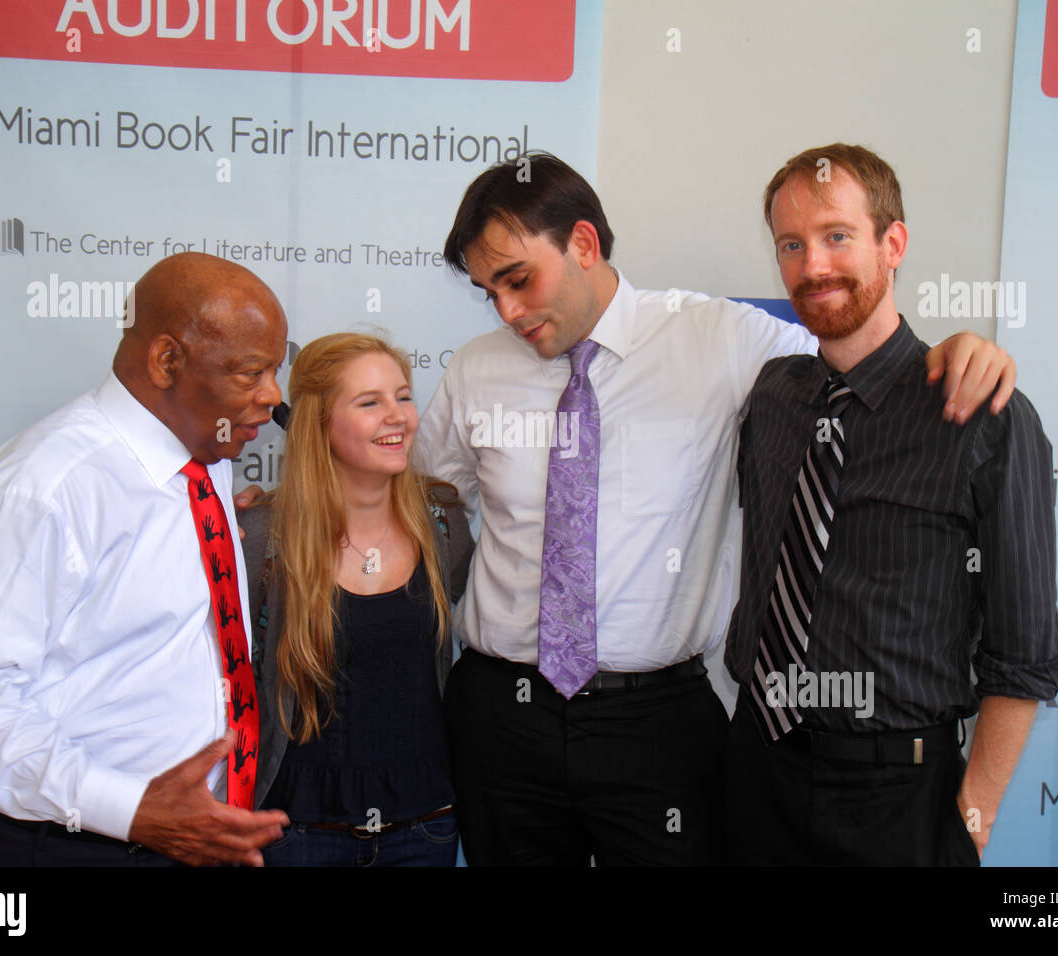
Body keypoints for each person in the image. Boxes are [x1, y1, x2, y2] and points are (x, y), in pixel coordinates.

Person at [414, 151, 1019, 866]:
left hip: (659, 727)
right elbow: (425, 497)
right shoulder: (477, 369)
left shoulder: (721, 340)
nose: (508, 310)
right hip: (500, 717)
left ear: (582, 243)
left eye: (517, 280)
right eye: (490, 292)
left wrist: (956, 351)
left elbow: (859, 347)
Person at [724, 143, 1058, 865]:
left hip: (900, 798)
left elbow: (1026, 653)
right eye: (792, 244)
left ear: (894, 243)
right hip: (757, 773)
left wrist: (969, 824)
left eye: (836, 236)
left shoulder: (983, 414)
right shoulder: (774, 395)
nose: (812, 265)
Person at [0, 251, 292, 866]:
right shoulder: (43, 489)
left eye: (275, 369)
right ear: (166, 360)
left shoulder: (202, 462)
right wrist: (131, 807)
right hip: (46, 847)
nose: (273, 396)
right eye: (250, 372)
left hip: (178, 839)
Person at [239, 333, 472, 866]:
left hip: (425, 826)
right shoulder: (260, 535)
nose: (397, 416)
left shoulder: (443, 521)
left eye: (403, 396)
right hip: (296, 831)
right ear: (319, 423)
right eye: (370, 403)